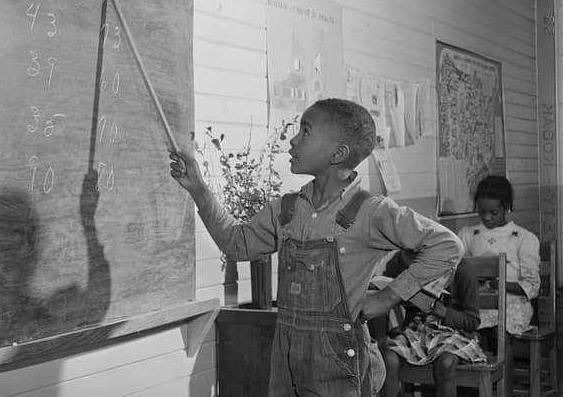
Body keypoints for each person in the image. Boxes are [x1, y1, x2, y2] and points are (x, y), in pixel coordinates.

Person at [169, 98, 463, 397]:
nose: (293, 140)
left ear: (339, 153)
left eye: (305, 131)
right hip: (287, 359)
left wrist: (388, 298)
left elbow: (447, 245)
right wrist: (198, 189)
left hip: (340, 362)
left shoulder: (371, 210)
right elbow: (237, 244)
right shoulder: (286, 210)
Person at [378, 253, 485, 397]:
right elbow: (386, 287)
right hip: (416, 330)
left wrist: (444, 312)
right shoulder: (402, 259)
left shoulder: (462, 269)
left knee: (446, 363)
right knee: (388, 358)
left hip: (454, 332)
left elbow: (473, 321)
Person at [458, 175, 540, 336]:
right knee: (462, 328)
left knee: (497, 333)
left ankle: (500, 358)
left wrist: (497, 284)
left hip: (512, 307)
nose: (487, 217)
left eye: (493, 212)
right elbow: (455, 272)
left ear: (507, 207)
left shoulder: (524, 238)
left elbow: (532, 287)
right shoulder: (468, 235)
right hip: (475, 304)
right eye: (481, 212)